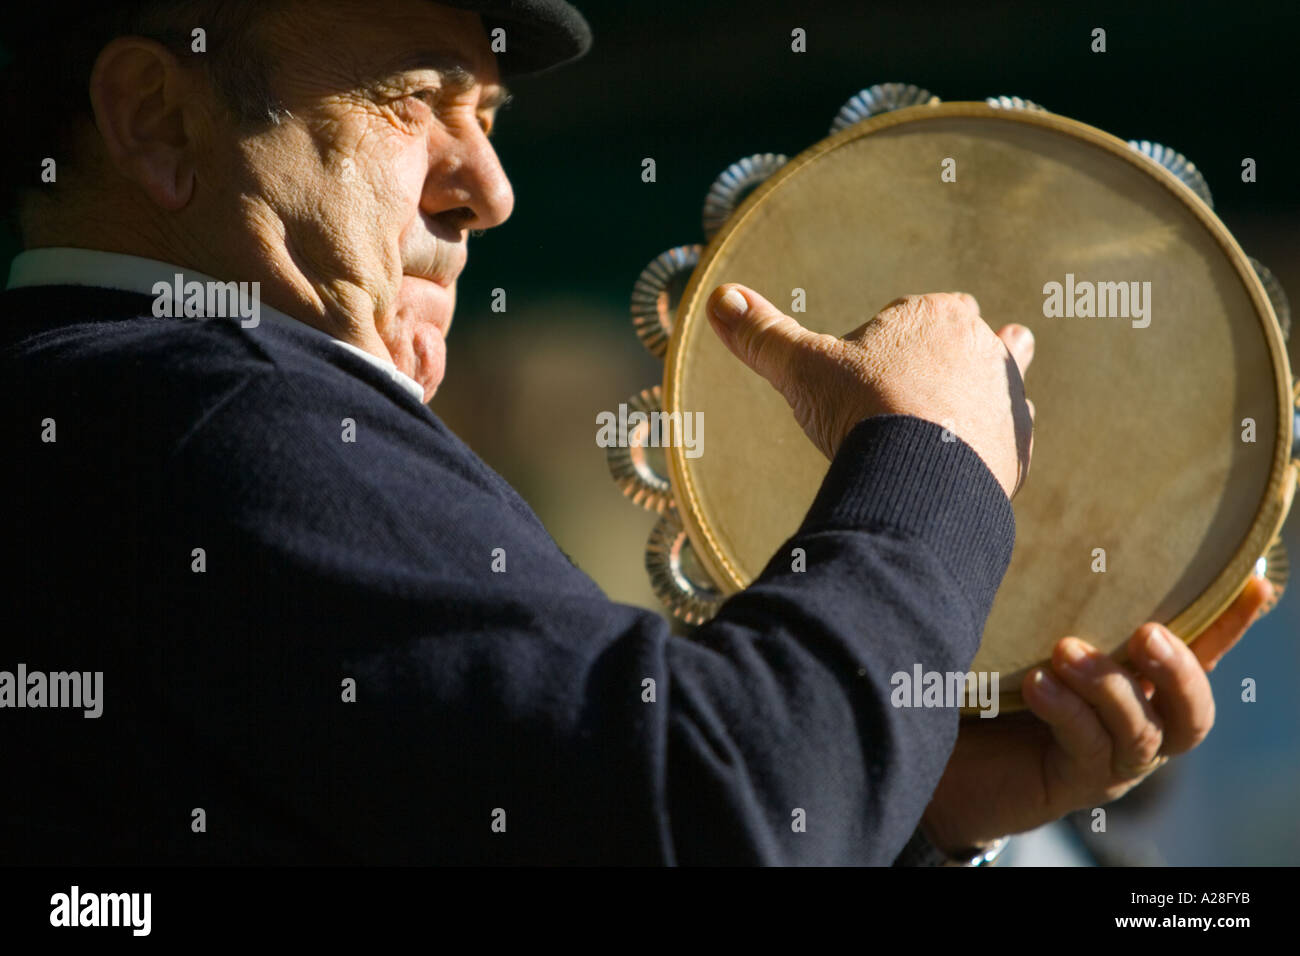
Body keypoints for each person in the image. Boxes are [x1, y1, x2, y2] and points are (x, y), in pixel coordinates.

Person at [0, 0, 1272, 865]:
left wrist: (905, 801)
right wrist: (930, 455)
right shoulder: (209, 406)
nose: (490, 187)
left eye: (485, 114)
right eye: (409, 100)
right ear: (157, 121)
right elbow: (712, 810)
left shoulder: (104, 416)